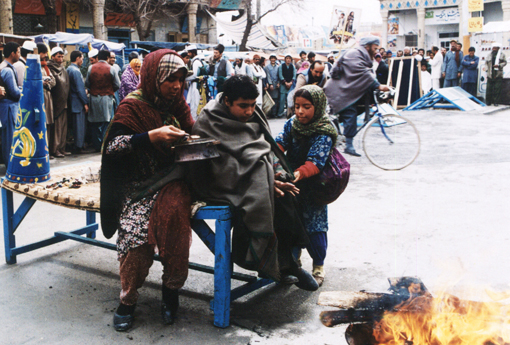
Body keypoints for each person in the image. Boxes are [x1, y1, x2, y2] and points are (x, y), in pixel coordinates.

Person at [191, 75, 319, 291]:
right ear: (227, 101)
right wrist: (266, 181)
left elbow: (265, 147)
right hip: (223, 182)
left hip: (258, 173)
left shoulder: (254, 113)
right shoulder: (208, 120)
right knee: (265, 195)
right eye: (243, 106)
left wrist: (274, 175)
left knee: (288, 194)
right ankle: (275, 264)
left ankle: (287, 263)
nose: (249, 112)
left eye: (252, 105)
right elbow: (216, 166)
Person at [101, 50, 194, 332]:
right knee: (136, 236)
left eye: (180, 79)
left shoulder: (177, 104)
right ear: (153, 77)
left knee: (175, 220)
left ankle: (170, 292)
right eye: (170, 80)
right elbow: (113, 147)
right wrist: (150, 137)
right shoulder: (132, 106)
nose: (177, 86)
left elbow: (192, 132)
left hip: (172, 180)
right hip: (138, 184)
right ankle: (128, 300)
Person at [275, 84, 338, 286]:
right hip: (292, 183)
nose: (300, 111)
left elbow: (316, 162)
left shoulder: (324, 131)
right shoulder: (292, 123)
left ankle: (318, 267)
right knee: (292, 224)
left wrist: (297, 174)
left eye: (306, 106)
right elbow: (279, 143)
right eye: (297, 106)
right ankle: (293, 265)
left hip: (314, 186)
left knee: (314, 227)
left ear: (317, 106)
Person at [324, 36, 390, 157]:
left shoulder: (362, 55)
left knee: (358, 110)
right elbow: (360, 71)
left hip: (345, 91)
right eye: (375, 48)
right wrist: (378, 85)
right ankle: (348, 145)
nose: (376, 52)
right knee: (350, 114)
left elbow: (365, 73)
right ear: (367, 46)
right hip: (339, 92)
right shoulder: (355, 53)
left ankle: (340, 131)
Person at [85, 50, 120, 152]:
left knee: (94, 122)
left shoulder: (91, 68)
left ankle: (96, 145)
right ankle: (104, 144)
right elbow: (117, 84)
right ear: (108, 58)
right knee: (107, 122)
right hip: (107, 98)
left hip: (94, 97)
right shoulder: (111, 69)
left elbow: (87, 83)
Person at [0, 42, 21, 168]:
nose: (19, 54)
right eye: (18, 52)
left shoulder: (5, 66)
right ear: (12, 53)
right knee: (10, 139)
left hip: (6, 107)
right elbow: (14, 92)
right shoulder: (7, 70)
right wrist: (24, 91)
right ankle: (11, 166)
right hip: (8, 108)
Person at [48, 46, 71, 158]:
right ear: (52, 57)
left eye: (62, 56)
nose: (61, 59)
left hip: (64, 101)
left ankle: (62, 148)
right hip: (56, 101)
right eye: (58, 56)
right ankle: (55, 149)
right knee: (56, 129)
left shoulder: (63, 69)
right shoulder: (50, 68)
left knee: (63, 127)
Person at [67, 50, 92, 154]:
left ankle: (77, 145)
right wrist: (85, 102)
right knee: (80, 126)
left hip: (72, 101)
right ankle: (79, 146)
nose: (82, 60)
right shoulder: (76, 71)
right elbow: (80, 89)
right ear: (77, 58)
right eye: (82, 58)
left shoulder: (68, 69)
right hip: (77, 102)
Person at [37, 43, 56, 159]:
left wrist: (47, 84)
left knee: (48, 124)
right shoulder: (35, 66)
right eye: (43, 53)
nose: (45, 56)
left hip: (48, 98)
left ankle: (47, 150)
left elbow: (53, 81)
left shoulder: (46, 67)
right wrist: (42, 83)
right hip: (41, 98)